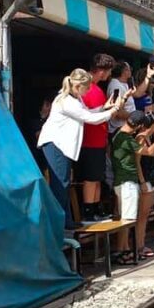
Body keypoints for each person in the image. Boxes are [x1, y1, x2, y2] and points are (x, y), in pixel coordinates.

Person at [38, 69, 125, 230]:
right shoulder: (66, 101)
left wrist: (105, 107)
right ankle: (58, 224)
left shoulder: (74, 98)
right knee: (60, 184)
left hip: (61, 145)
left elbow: (87, 113)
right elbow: (89, 119)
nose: (87, 92)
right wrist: (113, 111)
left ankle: (66, 222)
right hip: (56, 144)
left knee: (64, 183)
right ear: (78, 86)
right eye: (86, 88)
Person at [77, 53, 116, 223]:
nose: (108, 75)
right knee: (90, 178)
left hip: (99, 140)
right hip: (89, 141)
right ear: (101, 71)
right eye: (108, 71)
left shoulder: (98, 89)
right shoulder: (85, 88)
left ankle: (96, 209)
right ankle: (88, 212)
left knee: (98, 178)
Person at [109, 110, 149, 265]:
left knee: (124, 218)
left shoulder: (117, 135)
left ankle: (124, 249)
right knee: (127, 219)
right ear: (138, 126)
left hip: (120, 181)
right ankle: (122, 251)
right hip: (127, 183)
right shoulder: (126, 139)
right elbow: (150, 152)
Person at [134, 113, 154, 258]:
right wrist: (142, 182)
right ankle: (139, 246)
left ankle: (141, 244)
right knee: (142, 215)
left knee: (144, 215)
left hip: (149, 178)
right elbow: (137, 162)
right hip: (144, 179)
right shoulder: (140, 138)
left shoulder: (146, 138)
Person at [107, 61, 135, 135]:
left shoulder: (124, 84)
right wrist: (135, 118)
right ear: (123, 72)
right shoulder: (115, 87)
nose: (130, 71)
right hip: (118, 130)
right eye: (129, 69)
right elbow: (117, 112)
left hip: (126, 128)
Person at [28, 97, 52, 172]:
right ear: (40, 108)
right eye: (47, 105)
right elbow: (39, 137)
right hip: (37, 156)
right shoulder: (35, 122)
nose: (50, 108)